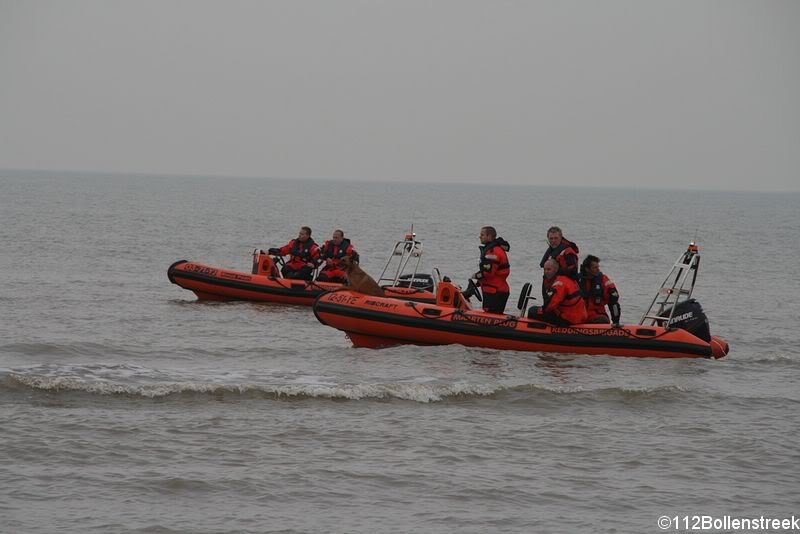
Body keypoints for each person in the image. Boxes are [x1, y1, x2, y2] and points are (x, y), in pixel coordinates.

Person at [529, 258, 587, 325]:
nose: (546, 272)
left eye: (548, 269)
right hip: (579, 316)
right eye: (544, 269)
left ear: (556, 270)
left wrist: (542, 310)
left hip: (568, 318)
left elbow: (550, 305)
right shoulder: (571, 279)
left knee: (532, 310)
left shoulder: (559, 283)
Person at [473, 226, 511, 314]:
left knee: (492, 315)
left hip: (495, 291)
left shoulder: (493, 251)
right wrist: (478, 282)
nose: (480, 236)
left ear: (489, 237)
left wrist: (475, 276)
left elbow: (488, 273)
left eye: (482, 235)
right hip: (495, 289)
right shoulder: (494, 249)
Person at [578, 255, 621, 324]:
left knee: (614, 298)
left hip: (597, 315)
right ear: (587, 269)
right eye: (595, 268)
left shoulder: (602, 279)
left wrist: (616, 322)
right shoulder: (576, 280)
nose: (598, 269)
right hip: (580, 315)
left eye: (598, 267)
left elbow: (613, 295)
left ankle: (616, 324)